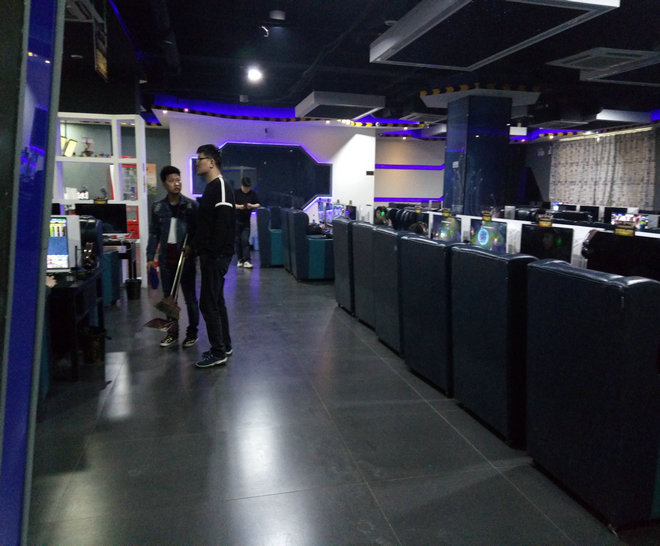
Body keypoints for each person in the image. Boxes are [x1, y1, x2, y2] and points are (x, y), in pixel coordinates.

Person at [192, 145, 235, 368]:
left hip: (215, 257)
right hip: (210, 255)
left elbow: (223, 223)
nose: (197, 163)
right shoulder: (211, 187)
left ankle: (218, 351)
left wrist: (213, 255)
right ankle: (224, 345)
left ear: (211, 162)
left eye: (199, 159)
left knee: (208, 303)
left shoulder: (221, 186)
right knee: (216, 301)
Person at [146, 165, 199, 348]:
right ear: (164, 184)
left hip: (186, 259)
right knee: (169, 299)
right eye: (172, 180)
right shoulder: (158, 207)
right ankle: (172, 333)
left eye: (178, 180)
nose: (176, 183)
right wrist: (149, 257)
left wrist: (192, 246)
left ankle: (192, 333)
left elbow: (198, 232)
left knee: (190, 298)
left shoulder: (191, 206)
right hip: (166, 260)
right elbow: (154, 233)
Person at [234, 176, 260, 269]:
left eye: (248, 187)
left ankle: (247, 260)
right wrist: (240, 207)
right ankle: (240, 259)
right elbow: (232, 204)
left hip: (246, 221)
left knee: (245, 240)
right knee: (237, 241)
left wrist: (251, 205)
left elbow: (258, 204)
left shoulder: (252, 193)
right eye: (245, 187)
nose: (246, 189)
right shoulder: (236, 193)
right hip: (236, 220)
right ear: (242, 185)